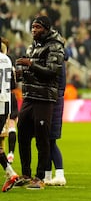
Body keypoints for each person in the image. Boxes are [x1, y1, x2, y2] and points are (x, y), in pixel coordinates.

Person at [14, 15, 64, 189]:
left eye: (37, 27)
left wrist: (30, 64)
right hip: (29, 96)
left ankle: (40, 178)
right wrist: (22, 74)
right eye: (33, 27)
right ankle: (26, 174)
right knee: (22, 134)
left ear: (46, 29)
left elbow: (52, 71)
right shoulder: (32, 46)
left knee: (42, 138)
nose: (34, 30)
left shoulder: (56, 46)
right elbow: (33, 71)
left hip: (44, 98)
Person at [44, 53, 68, 186]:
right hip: (55, 99)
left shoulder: (57, 62)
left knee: (50, 141)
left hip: (53, 101)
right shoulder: (60, 61)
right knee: (47, 141)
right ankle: (47, 175)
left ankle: (59, 174)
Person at [0, 38, 19, 192]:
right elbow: (13, 85)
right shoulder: (7, 59)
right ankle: (10, 172)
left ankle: (10, 172)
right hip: (5, 105)